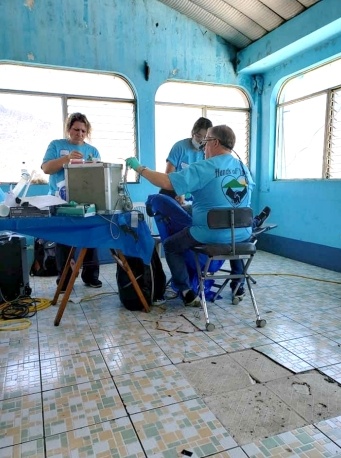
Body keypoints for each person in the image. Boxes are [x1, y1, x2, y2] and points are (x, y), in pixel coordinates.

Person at [126, 124, 255, 307]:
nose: (204, 147)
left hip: (210, 233)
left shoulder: (205, 167)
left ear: (215, 142)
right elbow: (227, 197)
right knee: (234, 240)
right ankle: (238, 284)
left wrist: (140, 169)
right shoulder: (243, 168)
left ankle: (186, 291)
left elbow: (167, 181)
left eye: (206, 142)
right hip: (243, 233)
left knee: (170, 246)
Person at [41, 112, 102, 290]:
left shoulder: (92, 151)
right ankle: (65, 278)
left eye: (83, 131)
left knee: (90, 237)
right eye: (76, 130)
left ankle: (91, 276)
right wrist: (66, 159)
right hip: (59, 200)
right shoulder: (56, 145)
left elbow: (98, 175)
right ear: (69, 129)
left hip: (86, 201)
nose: (80, 134)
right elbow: (46, 168)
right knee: (64, 240)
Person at [160, 117, 213, 203]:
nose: (201, 140)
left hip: (194, 195)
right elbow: (169, 175)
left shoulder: (208, 152)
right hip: (173, 191)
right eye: (199, 136)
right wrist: (180, 191)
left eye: (205, 138)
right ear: (193, 132)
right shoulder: (180, 147)